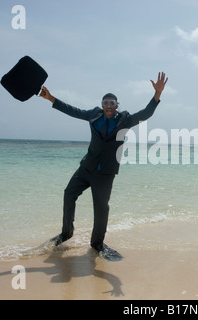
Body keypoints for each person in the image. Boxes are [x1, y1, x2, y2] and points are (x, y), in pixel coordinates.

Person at [39, 72, 168, 261]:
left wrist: (157, 95)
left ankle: (97, 243)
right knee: (69, 193)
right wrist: (50, 98)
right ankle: (66, 233)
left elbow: (145, 114)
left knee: (101, 208)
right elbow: (73, 110)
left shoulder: (125, 120)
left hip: (105, 173)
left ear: (117, 106)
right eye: (105, 103)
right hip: (87, 167)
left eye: (112, 103)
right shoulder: (93, 115)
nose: (108, 106)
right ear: (102, 105)